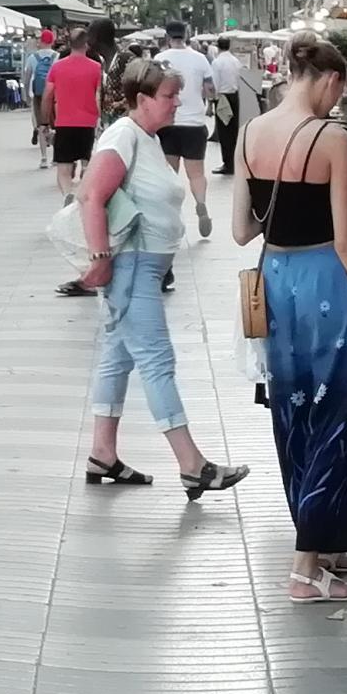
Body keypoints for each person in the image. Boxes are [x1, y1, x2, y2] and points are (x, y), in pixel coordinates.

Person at [241, 35, 347, 602]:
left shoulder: (252, 133)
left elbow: (242, 229)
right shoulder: (331, 137)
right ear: (330, 80)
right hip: (326, 283)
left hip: (277, 287)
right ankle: (306, 566)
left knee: (295, 411)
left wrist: (283, 211)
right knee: (338, 411)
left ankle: (323, 541)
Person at [72, 58, 248, 502]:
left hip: (140, 265)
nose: (176, 104)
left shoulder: (146, 138)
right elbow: (91, 195)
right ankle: (192, 465)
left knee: (119, 358)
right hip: (130, 265)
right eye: (169, 96)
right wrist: (100, 257)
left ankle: (102, 453)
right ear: (142, 99)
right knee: (156, 359)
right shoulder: (123, 136)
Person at [46, 28, 109, 297]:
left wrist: (46, 120)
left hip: (64, 121)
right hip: (86, 122)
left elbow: (48, 95)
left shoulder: (57, 67)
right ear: (87, 44)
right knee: (87, 162)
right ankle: (80, 193)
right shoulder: (96, 67)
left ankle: (67, 193)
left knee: (62, 167)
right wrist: (98, 120)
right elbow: (99, 97)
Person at [153, 23, 217, 238]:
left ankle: (171, 214)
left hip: (167, 123)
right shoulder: (200, 59)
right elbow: (210, 89)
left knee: (170, 174)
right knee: (196, 173)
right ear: (188, 35)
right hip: (194, 123)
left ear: (167, 36)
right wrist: (208, 100)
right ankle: (201, 204)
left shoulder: (159, 60)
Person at [210, 37, 259, 177]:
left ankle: (228, 163)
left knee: (224, 131)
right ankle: (235, 161)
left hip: (223, 97)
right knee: (234, 130)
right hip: (235, 96)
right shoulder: (235, 61)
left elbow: (215, 83)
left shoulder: (217, 62)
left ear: (218, 46)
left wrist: (213, 99)